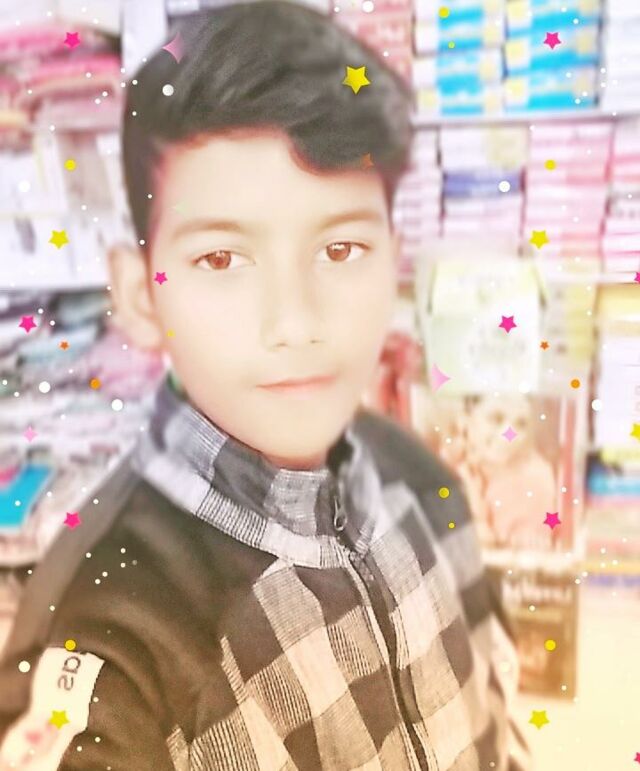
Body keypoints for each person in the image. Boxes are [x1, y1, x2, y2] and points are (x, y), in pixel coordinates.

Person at [0, 2, 532, 769]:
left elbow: (497, 728)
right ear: (142, 294)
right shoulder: (117, 640)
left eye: (341, 248)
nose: (295, 321)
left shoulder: (422, 482)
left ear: (394, 260)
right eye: (222, 259)